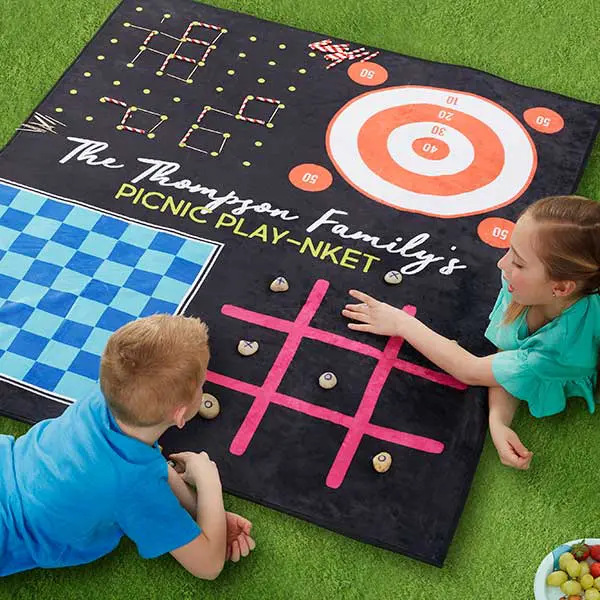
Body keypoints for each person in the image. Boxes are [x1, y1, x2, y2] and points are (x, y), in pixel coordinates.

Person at [342, 195, 600, 470]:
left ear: (560, 288)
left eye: (520, 263)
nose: (502, 263)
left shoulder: (560, 350)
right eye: (510, 250)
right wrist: (498, 420)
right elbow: (508, 352)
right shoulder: (524, 286)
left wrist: (401, 323)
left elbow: (470, 368)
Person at [0, 314, 255, 578]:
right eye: (202, 384)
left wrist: (204, 512)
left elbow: (148, 463)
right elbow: (208, 566)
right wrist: (208, 482)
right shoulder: (133, 486)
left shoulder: (105, 398)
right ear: (179, 414)